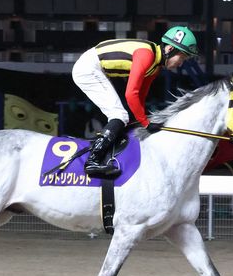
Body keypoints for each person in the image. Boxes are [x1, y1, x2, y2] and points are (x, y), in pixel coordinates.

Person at [72, 26, 199, 178]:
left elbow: (140, 96)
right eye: (182, 57)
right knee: (119, 115)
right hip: (88, 69)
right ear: (170, 49)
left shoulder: (155, 66)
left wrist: (140, 120)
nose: (181, 63)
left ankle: (109, 150)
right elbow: (131, 94)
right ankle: (93, 161)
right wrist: (145, 123)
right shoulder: (147, 55)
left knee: (123, 117)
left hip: (96, 68)